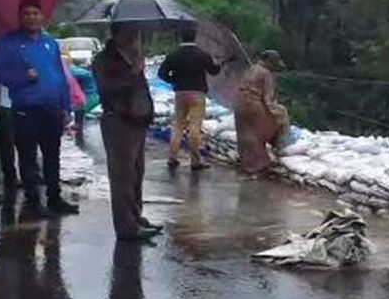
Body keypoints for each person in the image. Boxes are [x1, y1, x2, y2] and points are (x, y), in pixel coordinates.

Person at [0, 0, 79, 216]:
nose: (31, 17)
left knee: (52, 155)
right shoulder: (7, 42)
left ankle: (55, 198)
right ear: (20, 17)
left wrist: (66, 107)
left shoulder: (50, 43)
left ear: (42, 16)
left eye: (35, 13)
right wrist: (21, 76)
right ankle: (33, 203)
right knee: (28, 157)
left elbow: (60, 76)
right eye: (26, 13)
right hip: (25, 108)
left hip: (52, 108)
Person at [92, 23, 162, 243]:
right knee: (122, 176)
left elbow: (141, 90)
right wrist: (132, 74)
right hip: (118, 120)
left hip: (137, 121)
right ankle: (126, 226)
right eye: (130, 32)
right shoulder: (104, 60)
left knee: (136, 173)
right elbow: (107, 89)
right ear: (118, 34)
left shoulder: (133, 56)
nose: (134, 36)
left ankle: (136, 215)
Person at [158, 24, 221, 170]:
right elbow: (213, 71)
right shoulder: (201, 54)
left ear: (182, 38)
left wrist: (174, 81)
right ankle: (195, 160)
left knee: (178, 125)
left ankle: (172, 157)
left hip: (180, 93)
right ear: (195, 38)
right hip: (197, 93)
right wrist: (219, 64)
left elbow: (162, 74)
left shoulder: (173, 55)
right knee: (195, 126)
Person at [234, 50, 290, 175]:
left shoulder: (252, 69)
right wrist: (278, 113)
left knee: (245, 136)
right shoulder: (266, 74)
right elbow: (267, 100)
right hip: (253, 107)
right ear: (270, 62)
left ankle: (246, 163)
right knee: (260, 133)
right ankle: (265, 161)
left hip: (239, 104)